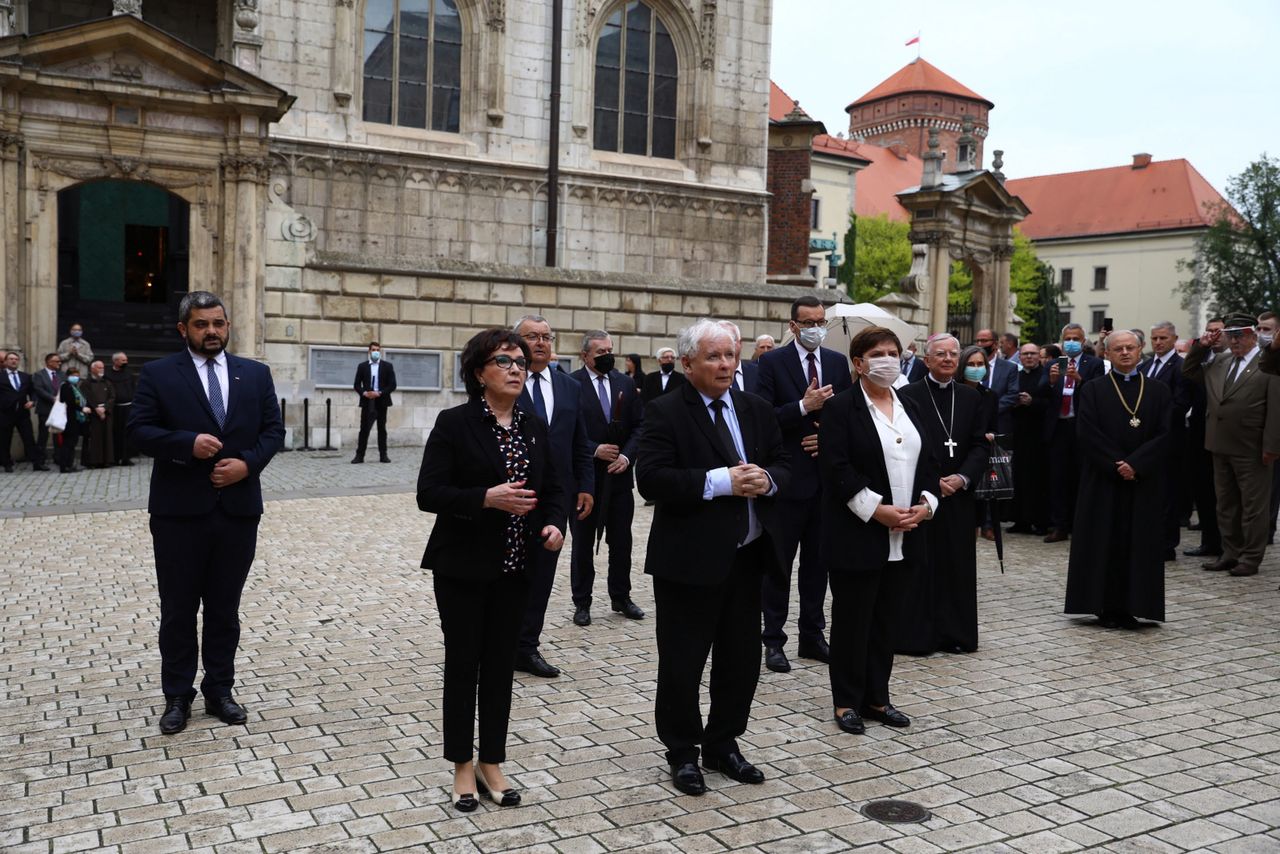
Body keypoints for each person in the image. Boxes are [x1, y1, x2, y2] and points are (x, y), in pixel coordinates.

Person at [635, 318, 789, 796]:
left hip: (747, 557)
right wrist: (721, 481)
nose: (726, 365)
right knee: (683, 661)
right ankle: (682, 751)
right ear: (687, 363)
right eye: (714, 357)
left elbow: (785, 462)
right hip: (689, 561)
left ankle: (724, 743)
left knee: (740, 660)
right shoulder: (665, 411)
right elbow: (652, 479)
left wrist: (768, 479)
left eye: (731, 355)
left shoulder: (756, 408)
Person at [416, 328, 567, 812]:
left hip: (517, 567)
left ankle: (492, 762)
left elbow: (553, 489)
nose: (517, 368)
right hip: (462, 566)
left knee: (501, 667)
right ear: (479, 371)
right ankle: (462, 765)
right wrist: (486, 498)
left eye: (521, 361)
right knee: (464, 666)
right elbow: (429, 492)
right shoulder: (454, 423)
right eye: (504, 360)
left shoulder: (533, 426)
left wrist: (552, 525)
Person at [128, 291, 285, 735]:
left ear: (228, 325)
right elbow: (138, 430)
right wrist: (186, 445)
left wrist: (247, 465)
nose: (211, 331)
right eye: (201, 324)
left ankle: (220, 689)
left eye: (218, 323)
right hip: (178, 514)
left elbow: (274, 430)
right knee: (178, 609)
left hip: (236, 511)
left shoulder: (254, 374)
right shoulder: (160, 374)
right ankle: (177, 694)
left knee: (224, 608)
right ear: (184, 329)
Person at [820, 326, 938, 736]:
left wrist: (926, 504)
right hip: (860, 531)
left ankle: (877, 696)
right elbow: (836, 469)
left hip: (907, 531)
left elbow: (929, 459)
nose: (889, 359)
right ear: (859, 362)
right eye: (879, 353)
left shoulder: (911, 404)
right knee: (853, 620)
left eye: (894, 352)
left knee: (888, 618)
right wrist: (877, 511)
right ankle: (846, 701)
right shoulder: (841, 409)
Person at [756, 295, 853, 673]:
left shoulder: (836, 362)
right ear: (793, 325)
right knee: (778, 564)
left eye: (821, 321)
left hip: (825, 482)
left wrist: (826, 436)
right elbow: (762, 417)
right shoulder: (771, 362)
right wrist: (803, 407)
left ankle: (812, 636)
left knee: (818, 565)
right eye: (808, 322)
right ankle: (773, 640)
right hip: (786, 480)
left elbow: (847, 414)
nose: (816, 328)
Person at [1065, 331, 1171, 628]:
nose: (1125, 353)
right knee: (1104, 541)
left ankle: (1137, 605)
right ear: (1107, 354)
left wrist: (1136, 464)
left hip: (1142, 481)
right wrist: (1117, 465)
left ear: (1141, 351)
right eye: (1118, 349)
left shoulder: (1158, 390)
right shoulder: (1093, 389)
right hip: (1104, 479)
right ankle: (1103, 605)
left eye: (1130, 348)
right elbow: (1086, 433)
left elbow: (1165, 433)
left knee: (1139, 542)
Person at [512, 315, 595, 679]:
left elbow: (580, 442)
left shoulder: (568, 387)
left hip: (557, 498)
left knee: (543, 573)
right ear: (516, 343)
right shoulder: (507, 383)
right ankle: (501, 642)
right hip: (514, 494)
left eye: (547, 336)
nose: (541, 342)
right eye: (532, 336)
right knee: (511, 573)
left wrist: (586, 485)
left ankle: (527, 647)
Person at [896, 335, 988, 655]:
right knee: (922, 563)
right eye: (940, 354)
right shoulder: (908, 395)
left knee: (957, 563)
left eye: (953, 354)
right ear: (926, 359)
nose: (948, 359)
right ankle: (919, 635)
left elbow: (980, 444)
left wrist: (963, 477)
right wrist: (933, 481)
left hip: (959, 495)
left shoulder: (970, 397)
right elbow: (906, 446)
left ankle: (956, 633)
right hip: (923, 494)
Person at [1182, 314, 1280, 578]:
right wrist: (1201, 346)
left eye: (1240, 334)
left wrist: (1272, 445)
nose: (1234, 340)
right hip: (1219, 443)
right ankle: (1230, 553)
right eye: (1231, 335)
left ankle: (1250, 557)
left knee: (1253, 507)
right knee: (1225, 504)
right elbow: (1189, 371)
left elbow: (1275, 408)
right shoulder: (1221, 360)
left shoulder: (1268, 363)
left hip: (1252, 446)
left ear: (1253, 335)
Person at [570, 330, 644, 625]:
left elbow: (640, 427)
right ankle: (582, 601)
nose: (607, 356)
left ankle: (621, 596)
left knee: (621, 541)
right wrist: (594, 450)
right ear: (585, 355)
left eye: (610, 350)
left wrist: (626, 457)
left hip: (620, 479)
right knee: (583, 544)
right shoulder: (571, 385)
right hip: (586, 481)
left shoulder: (625, 383)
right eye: (600, 352)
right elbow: (565, 433)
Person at [1039, 324, 1106, 542]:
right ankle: (1060, 525)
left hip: (1080, 428)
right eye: (1067, 338)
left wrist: (1079, 379)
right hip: (1058, 428)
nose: (1071, 341)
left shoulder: (1093, 364)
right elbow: (1040, 393)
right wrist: (1050, 381)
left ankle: (1082, 524)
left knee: (1080, 477)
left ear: (1083, 340)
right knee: (1058, 478)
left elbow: (1098, 392)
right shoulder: (1052, 363)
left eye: (1075, 338)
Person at [1142, 322, 1190, 561]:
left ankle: (1167, 544)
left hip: (1169, 437)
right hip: (1145, 438)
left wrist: (1152, 420)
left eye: (1163, 338)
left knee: (1168, 492)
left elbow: (1180, 404)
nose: (1158, 343)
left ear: (1174, 339)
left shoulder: (1181, 367)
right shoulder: (1146, 365)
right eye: (1154, 339)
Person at [1183, 317, 1225, 558]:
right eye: (1209, 331)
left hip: (1226, 435)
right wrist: (1201, 346)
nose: (1213, 335)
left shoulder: (1233, 360)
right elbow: (1187, 371)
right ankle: (1209, 541)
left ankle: (1228, 543)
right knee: (1204, 490)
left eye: (1218, 331)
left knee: (1225, 494)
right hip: (1200, 432)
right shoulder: (1204, 359)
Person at [1008, 343, 1049, 535]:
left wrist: (1032, 402)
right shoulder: (1016, 375)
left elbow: (1051, 403)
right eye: (1025, 354)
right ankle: (1021, 520)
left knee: (1038, 480)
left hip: (1039, 435)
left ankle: (1039, 521)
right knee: (1018, 477)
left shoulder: (1046, 375)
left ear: (1039, 356)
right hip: (1018, 433)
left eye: (1033, 353)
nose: (1029, 357)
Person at [1, 351, 47, 472]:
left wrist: (32, 401)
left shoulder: (25, 376)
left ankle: (36, 463)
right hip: (5, 413)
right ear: (5, 362)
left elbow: (33, 392)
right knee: (5, 439)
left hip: (22, 413)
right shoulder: (1, 376)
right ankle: (7, 463)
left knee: (29, 438)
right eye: (11, 359)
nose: (14, 361)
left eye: (16, 359)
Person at [351, 341, 397, 464]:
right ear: (369, 351)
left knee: (381, 429)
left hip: (381, 401)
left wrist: (380, 393)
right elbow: (356, 384)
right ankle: (359, 455)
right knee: (364, 429)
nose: (375, 352)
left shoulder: (387, 366)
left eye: (377, 350)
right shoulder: (363, 366)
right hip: (367, 401)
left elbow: (392, 385)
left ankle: (383, 455)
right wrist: (364, 393)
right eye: (373, 350)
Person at [974, 329, 1019, 436]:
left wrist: (990, 410)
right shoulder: (970, 366)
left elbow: (1012, 394)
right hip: (973, 422)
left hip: (999, 424)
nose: (980, 344)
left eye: (984, 341)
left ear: (995, 344)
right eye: (978, 341)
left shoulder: (1010, 368)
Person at [80, 360, 115, 469]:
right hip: (92, 414)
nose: (101, 370)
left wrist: (104, 408)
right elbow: (87, 396)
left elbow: (112, 396)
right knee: (94, 438)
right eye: (99, 368)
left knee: (106, 437)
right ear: (92, 369)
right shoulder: (86, 383)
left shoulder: (107, 382)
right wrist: (96, 408)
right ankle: (92, 461)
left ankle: (106, 460)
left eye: (102, 367)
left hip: (105, 413)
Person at [30, 353, 62, 465]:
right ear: (49, 362)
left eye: (59, 361)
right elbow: (39, 389)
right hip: (45, 408)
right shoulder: (39, 375)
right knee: (43, 435)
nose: (59, 363)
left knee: (58, 434)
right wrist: (52, 398)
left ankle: (58, 457)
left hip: (59, 410)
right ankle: (39, 461)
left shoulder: (61, 374)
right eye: (57, 361)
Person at [56, 365, 88, 473]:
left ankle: (69, 464)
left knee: (72, 443)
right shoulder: (66, 386)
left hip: (75, 418)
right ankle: (64, 466)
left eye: (77, 375)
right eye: (73, 375)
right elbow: (70, 402)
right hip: (69, 418)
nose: (76, 377)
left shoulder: (74, 387)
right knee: (68, 443)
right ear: (68, 376)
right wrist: (82, 408)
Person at [106, 352, 136, 466]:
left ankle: (126, 457)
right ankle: (114, 457)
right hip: (114, 409)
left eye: (126, 360)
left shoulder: (129, 374)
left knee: (127, 433)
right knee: (115, 433)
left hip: (128, 408)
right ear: (115, 361)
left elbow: (134, 388)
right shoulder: (108, 375)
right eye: (123, 360)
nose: (126, 362)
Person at [720, 321, 759, 394]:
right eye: (720, 340)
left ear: (740, 343)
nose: (726, 345)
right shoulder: (709, 376)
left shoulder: (758, 372)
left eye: (731, 339)